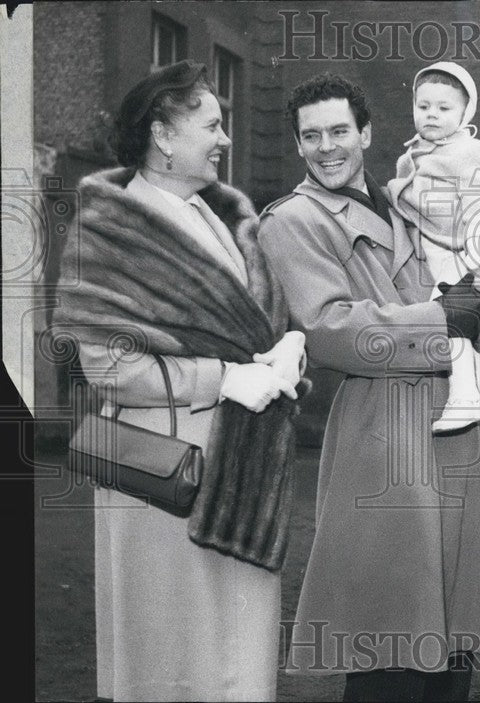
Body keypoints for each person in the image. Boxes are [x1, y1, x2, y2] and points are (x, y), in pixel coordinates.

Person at [54, 60, 307, 701]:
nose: (225, 137)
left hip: (240, 471)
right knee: (170, 658)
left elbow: (248, 327)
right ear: (164, 135)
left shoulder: (220, 218)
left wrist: (287, 349)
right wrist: (223, 378)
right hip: (163, 472)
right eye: (212, 123)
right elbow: (109, 365)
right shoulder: (110, 229)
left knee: (235, 658)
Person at [256, 73, 480, 702]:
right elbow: (329, 327)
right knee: (390, 636)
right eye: (310, 136)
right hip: (383, 433)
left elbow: (471, 269)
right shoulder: (294, 220)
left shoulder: (407, 198)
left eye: (340, 131)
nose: (326, 147)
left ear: (366, 133)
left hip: (452, 427)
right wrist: (445, 318)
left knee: (451, 644)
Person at [387, 61, 480, 455]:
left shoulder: (475, 152)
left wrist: (477, 269)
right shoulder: (413, 154)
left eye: (444, 108)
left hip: (462, 255)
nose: (431, 114)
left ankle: (465, 400)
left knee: (450, 324)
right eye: (423, 105)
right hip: (433, 254)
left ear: (465, 113)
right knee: (468, 342)